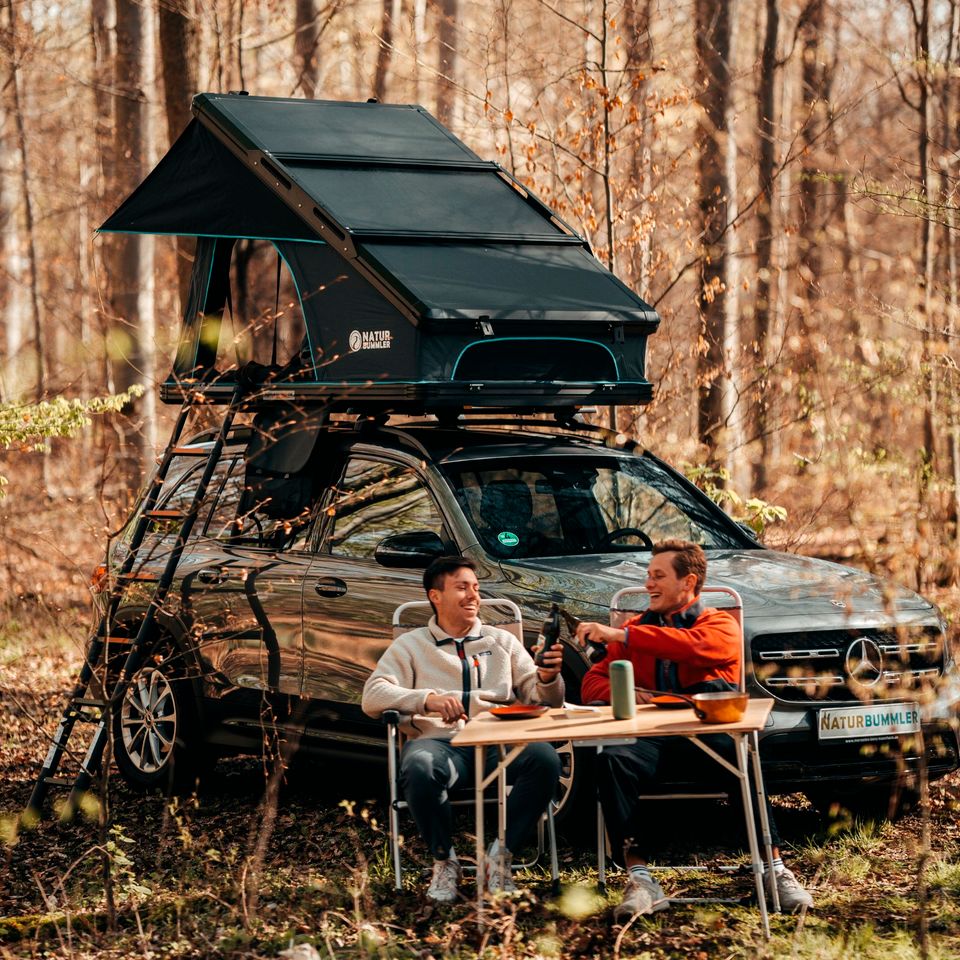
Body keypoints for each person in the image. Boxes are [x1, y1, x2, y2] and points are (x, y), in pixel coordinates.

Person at [575, 539, 814, 921]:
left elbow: (697, 648)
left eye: (658, 576)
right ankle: (640, 877)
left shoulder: (717, 623)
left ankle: (773, 869)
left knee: (744, 755)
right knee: (613, 757)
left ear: (688, 583)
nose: (648, 584)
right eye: (648, 575)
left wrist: (622, 636)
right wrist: (633, 693)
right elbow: (593, 683)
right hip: (651, 739)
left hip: (707, 741)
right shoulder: (638, 628)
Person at [362, 556, 565, 903]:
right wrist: (427, 699)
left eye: (476, 588)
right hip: (442, 745)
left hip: (500, 745)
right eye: (462, 587)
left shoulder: (501, 641)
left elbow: (545, 698)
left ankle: (500, 857)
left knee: (545, 759)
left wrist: (548, 678)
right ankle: (445, 862)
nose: (474, 596)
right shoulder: (412, 645)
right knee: (418, 767)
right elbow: (372, 695)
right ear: (435, 596)